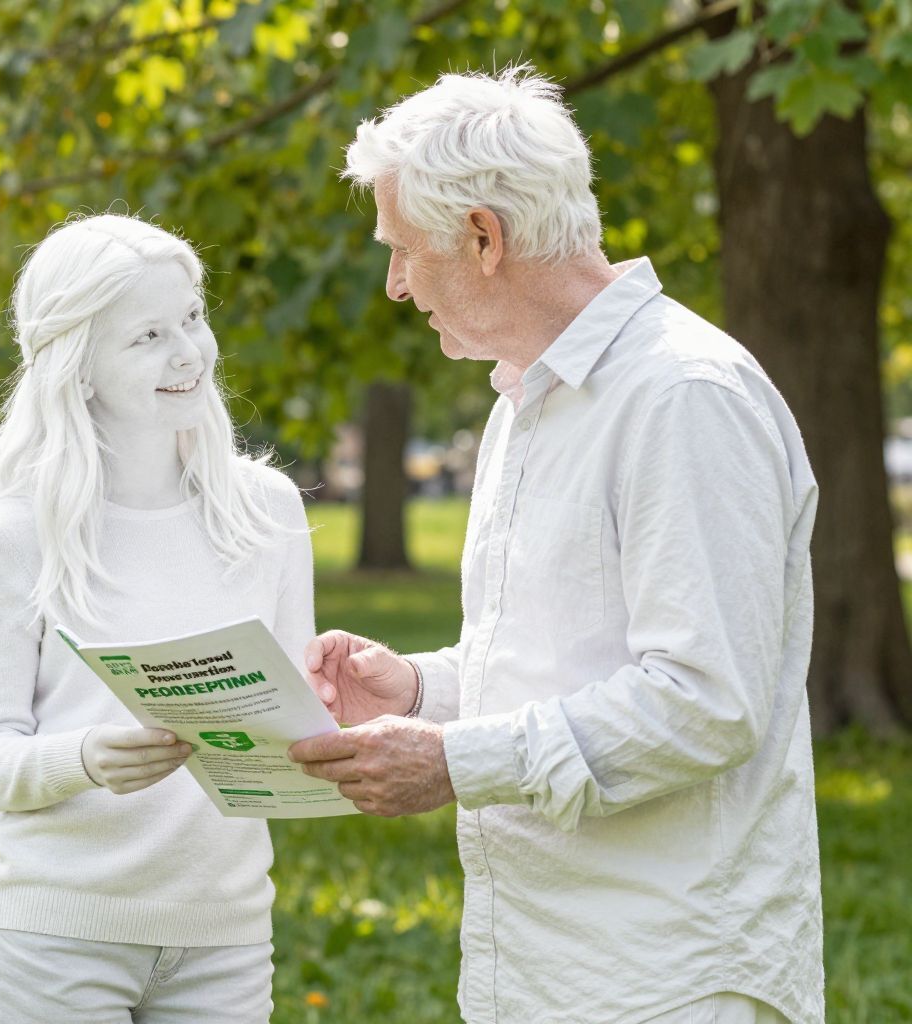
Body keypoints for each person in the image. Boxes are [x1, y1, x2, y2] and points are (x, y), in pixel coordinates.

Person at [288, 66, 823, 1024]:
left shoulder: (683, 397)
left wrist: (453, 762)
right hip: (544, 966)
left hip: (669, 974)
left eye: (405, 249)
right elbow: (559, 659)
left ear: (484, 238)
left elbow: (706, 701)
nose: (396, 284)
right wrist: (417, 691)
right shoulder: (525, 400)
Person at [0, 214, 314, 1023]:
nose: (189, 353)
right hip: (56, 937)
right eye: (147, 336)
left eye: (193, 318)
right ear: (80, 364)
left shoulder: (269, 512)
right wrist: (86, 759)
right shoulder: (19, 527)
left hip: (228, 938)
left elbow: (298, 729)